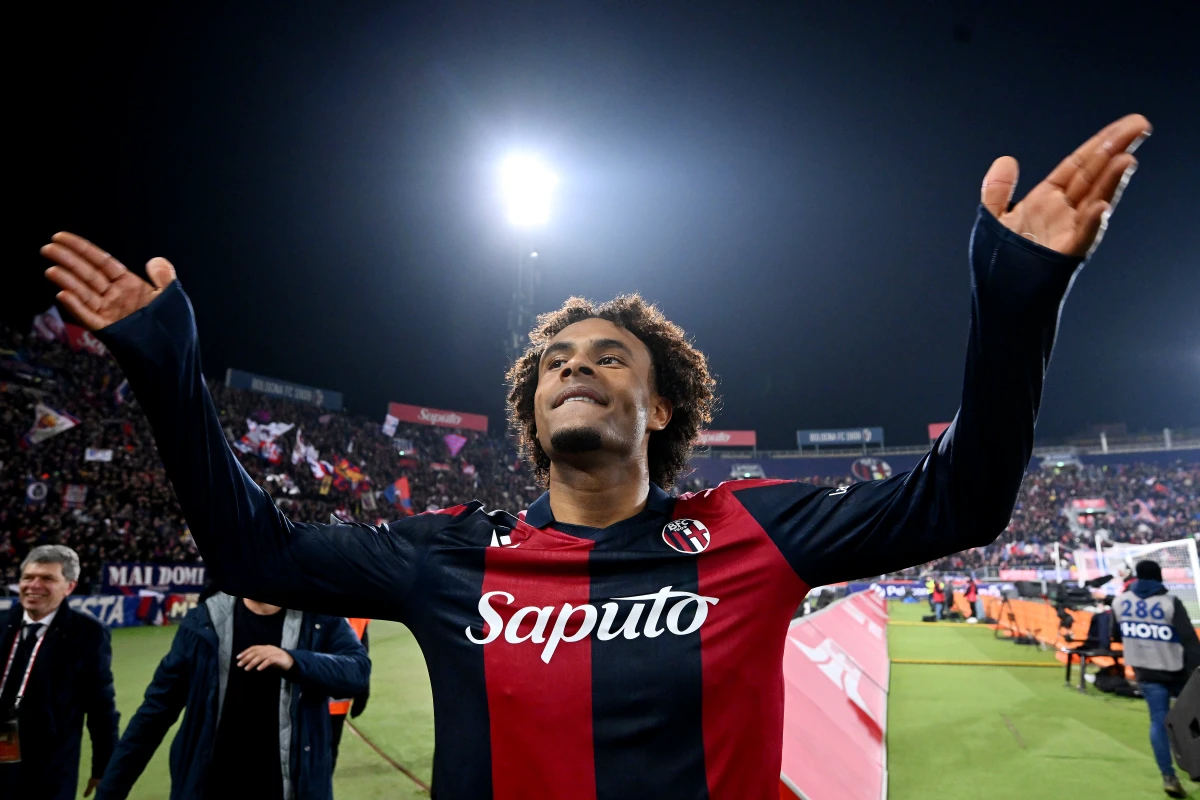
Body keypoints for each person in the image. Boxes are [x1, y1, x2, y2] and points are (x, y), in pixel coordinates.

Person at [40, 114, 1149, 800]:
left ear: (659, 400)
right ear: (531, 406)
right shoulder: (452, 556)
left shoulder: (750, 527)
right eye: (555, 358)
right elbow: (254, 548)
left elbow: (965, 498)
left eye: (608, 355)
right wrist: (164, 370)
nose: (575, 365)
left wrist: (1013, 304)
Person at [94, 593, 370, 800]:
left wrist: (295, 661)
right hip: (212, 785)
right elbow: (153, 714)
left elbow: (358, 672)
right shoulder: (204, 622)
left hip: (289, 787)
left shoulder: (320, 618)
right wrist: (110, 790)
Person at [0, 545, 119, 800]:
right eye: (28, 577)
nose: (34, 585)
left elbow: (101, 708)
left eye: (47, 578)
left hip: (48, 768)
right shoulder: (2, 623)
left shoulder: (87, 635)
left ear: (70, 587)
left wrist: (104, 766)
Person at [1113, 560, 1200, 798]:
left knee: (1158, 722)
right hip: (1177, 670)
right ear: (1159, 576)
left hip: (1145, 671)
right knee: (1195, 720)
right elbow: (1189, 641)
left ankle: (1168, 776)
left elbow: (1115, 634)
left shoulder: (1120, 602)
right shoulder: (1169, 602)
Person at [327, 617, 370, 771]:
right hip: (310, 698)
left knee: (327, 756)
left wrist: (363, 687)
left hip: (336, 700)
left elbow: (362, 654)